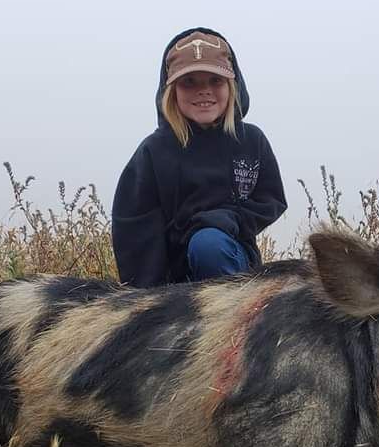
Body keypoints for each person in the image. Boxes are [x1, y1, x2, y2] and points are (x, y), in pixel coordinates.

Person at [111, 27, 287, 288]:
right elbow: (132, 226)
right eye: (189, 82)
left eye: (215, 80)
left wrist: (231, 220)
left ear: (232, 86)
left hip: (231, 262)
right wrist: (148, 295)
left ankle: (231, 309)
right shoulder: (153, 151)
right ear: (171, 90)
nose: (204, 91)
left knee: (208, 245)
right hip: (170, 280)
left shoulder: (251, 140)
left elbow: (271, 200)